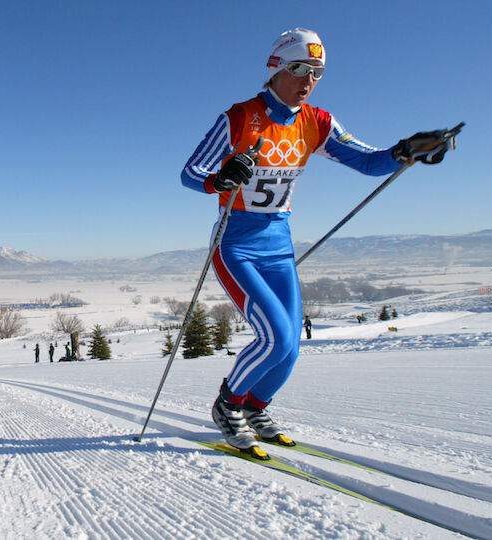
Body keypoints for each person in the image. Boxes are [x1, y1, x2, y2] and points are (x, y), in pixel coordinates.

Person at [181, 28, 452, 457]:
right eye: (299, 69)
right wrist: (219, 180)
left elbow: (365, 159)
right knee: (274, 338)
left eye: (317, 72)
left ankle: (255, 407)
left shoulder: (317, 122)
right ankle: (227, 405)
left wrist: (407, 150)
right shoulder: (240, 117)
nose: (308, 80)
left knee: (289, 349)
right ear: (276, 69)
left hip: (279, 244)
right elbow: (190, 172)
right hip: (237, 245)